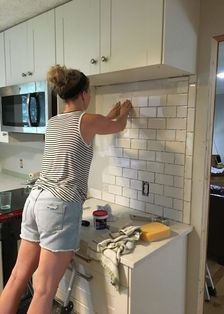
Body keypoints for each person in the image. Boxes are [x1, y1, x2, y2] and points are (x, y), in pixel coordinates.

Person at [0, 64, 132, 314]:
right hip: (58, 205)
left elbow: (96, 123)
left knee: (18, 276)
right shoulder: (88, 121)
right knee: (44, 290)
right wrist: (124, 112)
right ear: (84, 93)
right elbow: (117, 126)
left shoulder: (53, 122)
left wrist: (111, 113)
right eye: (90, 92)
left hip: (36, 200)